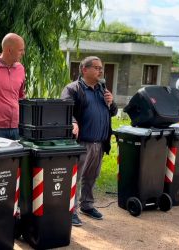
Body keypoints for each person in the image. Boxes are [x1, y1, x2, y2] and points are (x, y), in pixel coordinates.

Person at [61, 56, 117, 227]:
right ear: (84, 69)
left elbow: (113, 112)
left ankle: (87, 205)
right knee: (74, 179)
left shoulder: (102, 89)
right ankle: (70, 211)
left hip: (99, 142)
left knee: (91, 177)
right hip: (81, 143)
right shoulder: (73, 89)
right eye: (97, 67)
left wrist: (111, 102)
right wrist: (73, 121)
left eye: (101, 68)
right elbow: (64, 109)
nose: (101, 71)